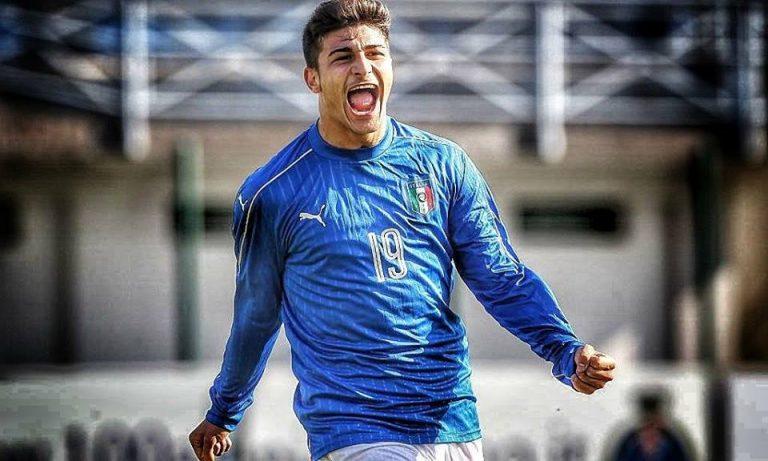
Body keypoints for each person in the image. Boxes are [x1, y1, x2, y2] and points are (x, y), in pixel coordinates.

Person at [188, 1, 616, 460]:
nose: (362, 67)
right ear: (313, 79)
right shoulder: (273, 193)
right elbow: (256, 318)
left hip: (452, 423)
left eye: (375, 54)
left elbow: (500, 277)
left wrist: (565, 352)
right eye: (343, 57)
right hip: (354, 430)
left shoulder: (443, 164)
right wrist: (225, 409)